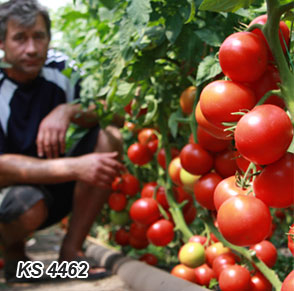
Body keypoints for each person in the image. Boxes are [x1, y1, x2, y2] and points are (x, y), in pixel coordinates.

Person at [0, 0, 125, 282]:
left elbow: (114, 115)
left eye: (39, 36)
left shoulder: (61, 68)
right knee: (25, 205)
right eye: (19, 38)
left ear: (49, 38)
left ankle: (71, 252)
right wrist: (74, 167)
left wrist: (69, 110)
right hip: (13, 198)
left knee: (109, 138)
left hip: (56, 189)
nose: (31, 48)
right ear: (1, 44)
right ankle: (14, 255)